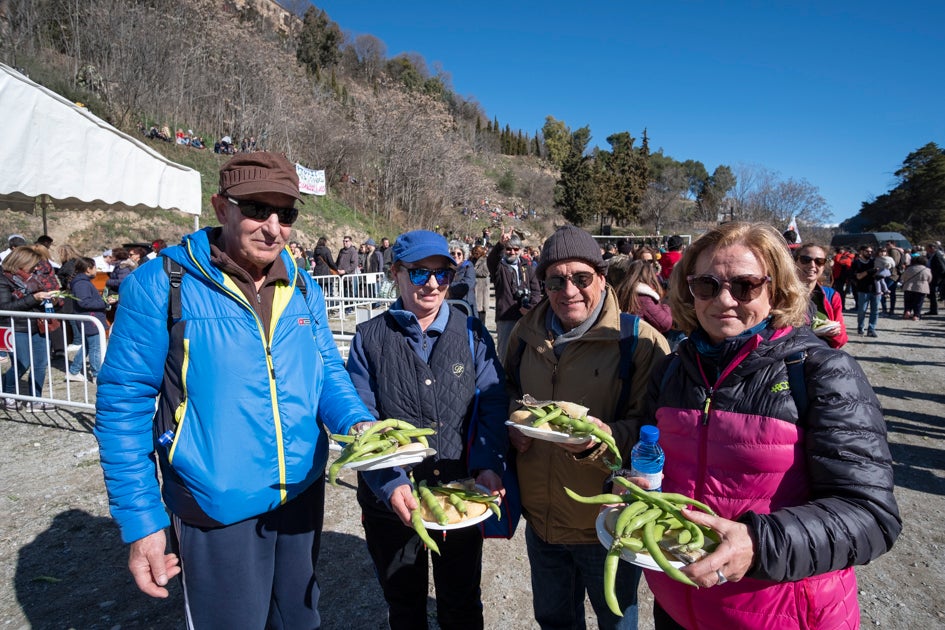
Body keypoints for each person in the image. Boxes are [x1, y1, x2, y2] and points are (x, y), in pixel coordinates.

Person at [93, 151, 374, 628]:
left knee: (299, 623)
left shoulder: (303, 285)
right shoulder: (162, 282)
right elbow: (123, 407)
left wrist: (357, 422)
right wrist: (142, 521)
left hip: (301, 491)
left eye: (285, 214)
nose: (272, 227)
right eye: (256, 209)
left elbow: (326, 370)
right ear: (221, 207)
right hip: (215, 503)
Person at [645, 221, 901, 629]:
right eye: (708, 285)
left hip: (782, 614)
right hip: (679, 606)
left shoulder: (822, 370)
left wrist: (758, 543)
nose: (725, 300)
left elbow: (870, 514)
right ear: (688, 289)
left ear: (777, 289)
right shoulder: (674, 369)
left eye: (745, 285)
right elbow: (654, 457)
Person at [504, 225, 670, 630]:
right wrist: (514, 421)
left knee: (616, 622)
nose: (569, 290)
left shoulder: (639, 341)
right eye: (555, 280)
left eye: (581, 278)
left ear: (601, 277)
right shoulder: (524, 336)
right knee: (554, 619)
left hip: (607, 522)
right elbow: (506, 391)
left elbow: (658, 428)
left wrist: (600, 439)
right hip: (541, 519)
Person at [345, 229, 508, 629]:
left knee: (462, 601)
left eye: (442, 273)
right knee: (404, 604)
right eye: (419, 273)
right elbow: (362, 420)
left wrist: (488, 464)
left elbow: (492, 400)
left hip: (459, 495)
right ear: (396, 273)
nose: (433, 284)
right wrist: (389, 482)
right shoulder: (369, 337)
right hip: (391, 504)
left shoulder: (471, 331)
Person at [0, 245, 60, 411]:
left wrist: (50, 299)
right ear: (21, 262)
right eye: (33, 264)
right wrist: (34, 298)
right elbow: (5, 307)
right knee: (22, 362)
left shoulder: (34, 277)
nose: (36, 268)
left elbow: (37, 297)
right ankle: (8, 394)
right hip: (16, 326)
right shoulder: (3, 279)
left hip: (38, 323)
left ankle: (36, 399)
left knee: (41, 362)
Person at [487, 230, 541, 361]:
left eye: (516, 249)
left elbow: (536, 291)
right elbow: (492, 260)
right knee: (505, 354)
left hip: (526, 317)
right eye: (509, 249)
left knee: (526, 355)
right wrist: (500, 244)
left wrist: (531, 307)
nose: (512, 252)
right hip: (506, 317)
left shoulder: (527, 267)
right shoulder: (499, 268)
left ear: (521, 250)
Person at [794, 243, 848, 348]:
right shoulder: (779, 294)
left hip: (821, 355)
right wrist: (812, 333)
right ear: (795, 262)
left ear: (824, 266)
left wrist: (834, 332)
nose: (812, 265)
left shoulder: (831, 296)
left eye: (819, 261)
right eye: (806, 259)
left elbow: (842, 340)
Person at [66, 257, 109, 382]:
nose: (97, 269)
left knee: (87, 346)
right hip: (90, 319)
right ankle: (97, 374)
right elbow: (84, 302)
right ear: (88, 269)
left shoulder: (83, 282)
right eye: (95, 267)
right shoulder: (82, 283)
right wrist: (103, 303)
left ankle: (73, 371)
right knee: (95, 347)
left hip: (90, 318)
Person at [614, 259, 673, 334]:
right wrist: (665, 306)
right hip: (642, 340)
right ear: (650, 275)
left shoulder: (621, 291)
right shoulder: (644, 297)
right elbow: (665, 324)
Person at [852, 244, 880, 336]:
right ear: (861, 252)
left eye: (871, 251)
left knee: (875, 310)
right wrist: (868, 272)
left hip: (876, 289)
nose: (869, 253)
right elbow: (858, 276)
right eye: (867, 251)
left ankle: (871, 329)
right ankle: (860, 326)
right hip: (863, 289)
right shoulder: (856, 263)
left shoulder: (874, 262)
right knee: (862, 310)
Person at [447, 240, 477, 316]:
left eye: (459, 253)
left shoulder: (468, 266)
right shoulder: (446, 268)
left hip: (465, 307)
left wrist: (447, 287)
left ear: (463, 255)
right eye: (452, 253)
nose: (456, 256)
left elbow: (466, 285)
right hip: (449, 307)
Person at [900, 255, 932, 320]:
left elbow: (903, 277)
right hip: (921, 287)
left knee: (908, 301)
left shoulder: (909, 268)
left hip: (908, 287)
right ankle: (916, 315)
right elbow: (929, 279)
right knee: (918, 302)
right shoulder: (927, 270)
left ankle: (907, 311)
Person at [925, 243, 945, 316]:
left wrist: (937, 277)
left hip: (936, 278)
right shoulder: (933, 255)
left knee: (933, 294)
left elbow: (942, 268)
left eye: (927, 248)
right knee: (931, 294)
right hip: (934, 277)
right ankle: (933, 309)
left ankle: (934, 310)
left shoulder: (937, 256)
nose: (926, 250)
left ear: (932, 248)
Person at [471, 245, 490, 322]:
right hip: (474, 286)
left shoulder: (485, 260)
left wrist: (472, 271)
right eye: (474, 253)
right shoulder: (472, 260)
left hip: (482, 288)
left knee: (481, 309)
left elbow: (485, 273)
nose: (475, 254)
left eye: (476, 253)